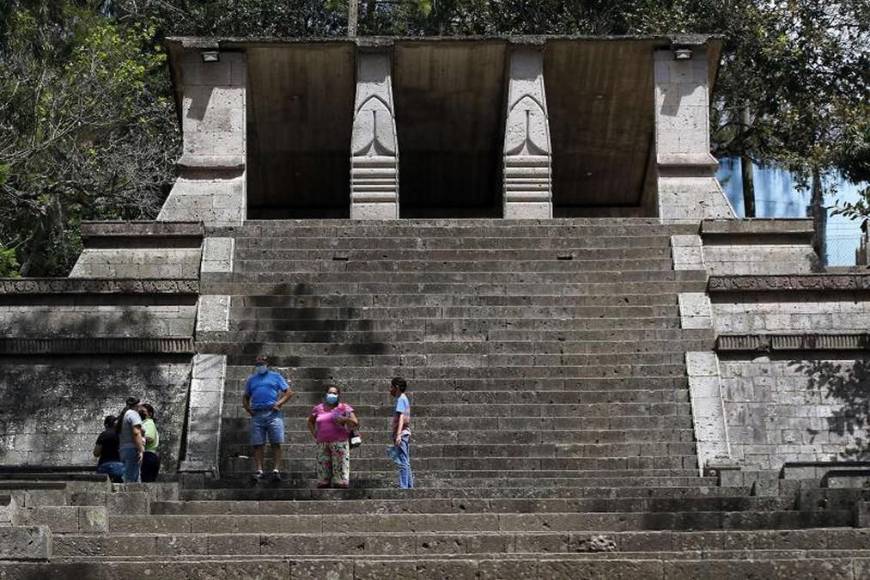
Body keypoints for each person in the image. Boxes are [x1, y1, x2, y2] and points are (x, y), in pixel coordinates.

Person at [243, 355, 294, 482]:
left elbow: (289, 392)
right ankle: (259, 470)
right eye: (258, 364)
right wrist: (248, 409)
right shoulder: (252, 380)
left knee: (276, 442)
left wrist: (279, 403)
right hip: (257, 413)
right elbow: (245, 396)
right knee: (257, 443)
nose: (260, 366)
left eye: (263, 363)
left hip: (273, 412)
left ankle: (276, 470)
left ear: (267, 364)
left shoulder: (275, 376)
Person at [307, 385, 358, 489]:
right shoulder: (318, 408)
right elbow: (310, 422)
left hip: (340, 442)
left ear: (338, 395)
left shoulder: (344, 407)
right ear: (326, 394)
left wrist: (345, 419)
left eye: (335, 393)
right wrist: (315, 434)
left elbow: (355, 422)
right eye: (330, 393)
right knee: (323, 472)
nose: (332, 395)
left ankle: (341, 483)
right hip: (322, 443)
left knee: (340, 471)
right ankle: (324, 482)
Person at [390, 377, 414, 489]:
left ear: (397, 387)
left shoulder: (400, 399)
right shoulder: (404, 398)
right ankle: (409, 486)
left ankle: (404, 487)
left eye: (391, 387)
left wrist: (398, 434)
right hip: (405, 432)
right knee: (406, 460)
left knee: (403, 462)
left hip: (402, 433)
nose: (390, 390)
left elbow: (401, 417)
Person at [116, 397, 145, 483]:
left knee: (127, 478)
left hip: (124, 449)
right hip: (132, 449)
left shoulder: (125, 414)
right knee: (131, 481)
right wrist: (141, 450)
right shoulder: (133, 414)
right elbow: (136, 433)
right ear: (137, 405)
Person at [93, 415, 124, 483]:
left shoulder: (103, 435)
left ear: (106, 425)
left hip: (104, 466)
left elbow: (96, 453)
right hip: (120, 467)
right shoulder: (121, 435)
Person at [140, 403, 160, 483]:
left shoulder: (148, 423)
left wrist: (137, 440)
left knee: (146, 481)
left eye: (143, 411)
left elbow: (150, 438)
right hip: (148, 456)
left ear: (150, 414)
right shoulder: (144, 423)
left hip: (148, 455)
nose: (140, 412)